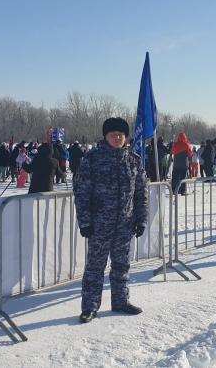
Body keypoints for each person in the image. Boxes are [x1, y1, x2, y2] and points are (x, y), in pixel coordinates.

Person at [74, 117, 148, 323]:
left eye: (121, 135)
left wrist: (141, 219)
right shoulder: (92, 159)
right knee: (95, 267)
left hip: (125, 224)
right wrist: (85, 222)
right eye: (113, 134)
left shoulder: (133, 160)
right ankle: (90, 306)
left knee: (122, 265)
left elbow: (141, 193)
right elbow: (82, 192)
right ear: (105, 136)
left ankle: (120, 301)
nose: (117, 137)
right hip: (99, 224)